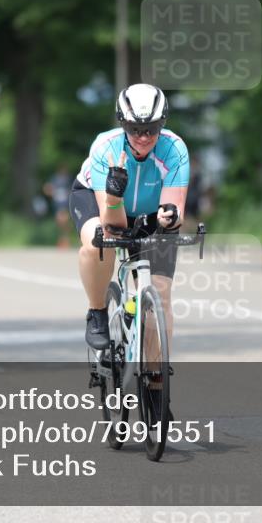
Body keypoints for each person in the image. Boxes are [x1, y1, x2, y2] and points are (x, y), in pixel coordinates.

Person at [69, 83, 189, 366]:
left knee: (160, 294)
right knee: (98, 242)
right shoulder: (105, 148)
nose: (144, 137)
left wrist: (168, 217)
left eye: (152, 128)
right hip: (101, 204)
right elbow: (113, 226)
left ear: (163, 124)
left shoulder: (174, 149)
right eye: (135, 129)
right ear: (123, 124)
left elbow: (175, 207)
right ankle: (97, 311)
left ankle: (157, 387)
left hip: (148, 213)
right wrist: (113, 192)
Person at [42, 164, 73, 249]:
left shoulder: (69, 179)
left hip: (66, 204)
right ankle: (63, 240)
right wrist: (51, 192)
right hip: (57, 204)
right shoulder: (54, 179)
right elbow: (48, 188)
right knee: (60, 223)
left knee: (63, 220)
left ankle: (65, 240)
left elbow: (73, 189)